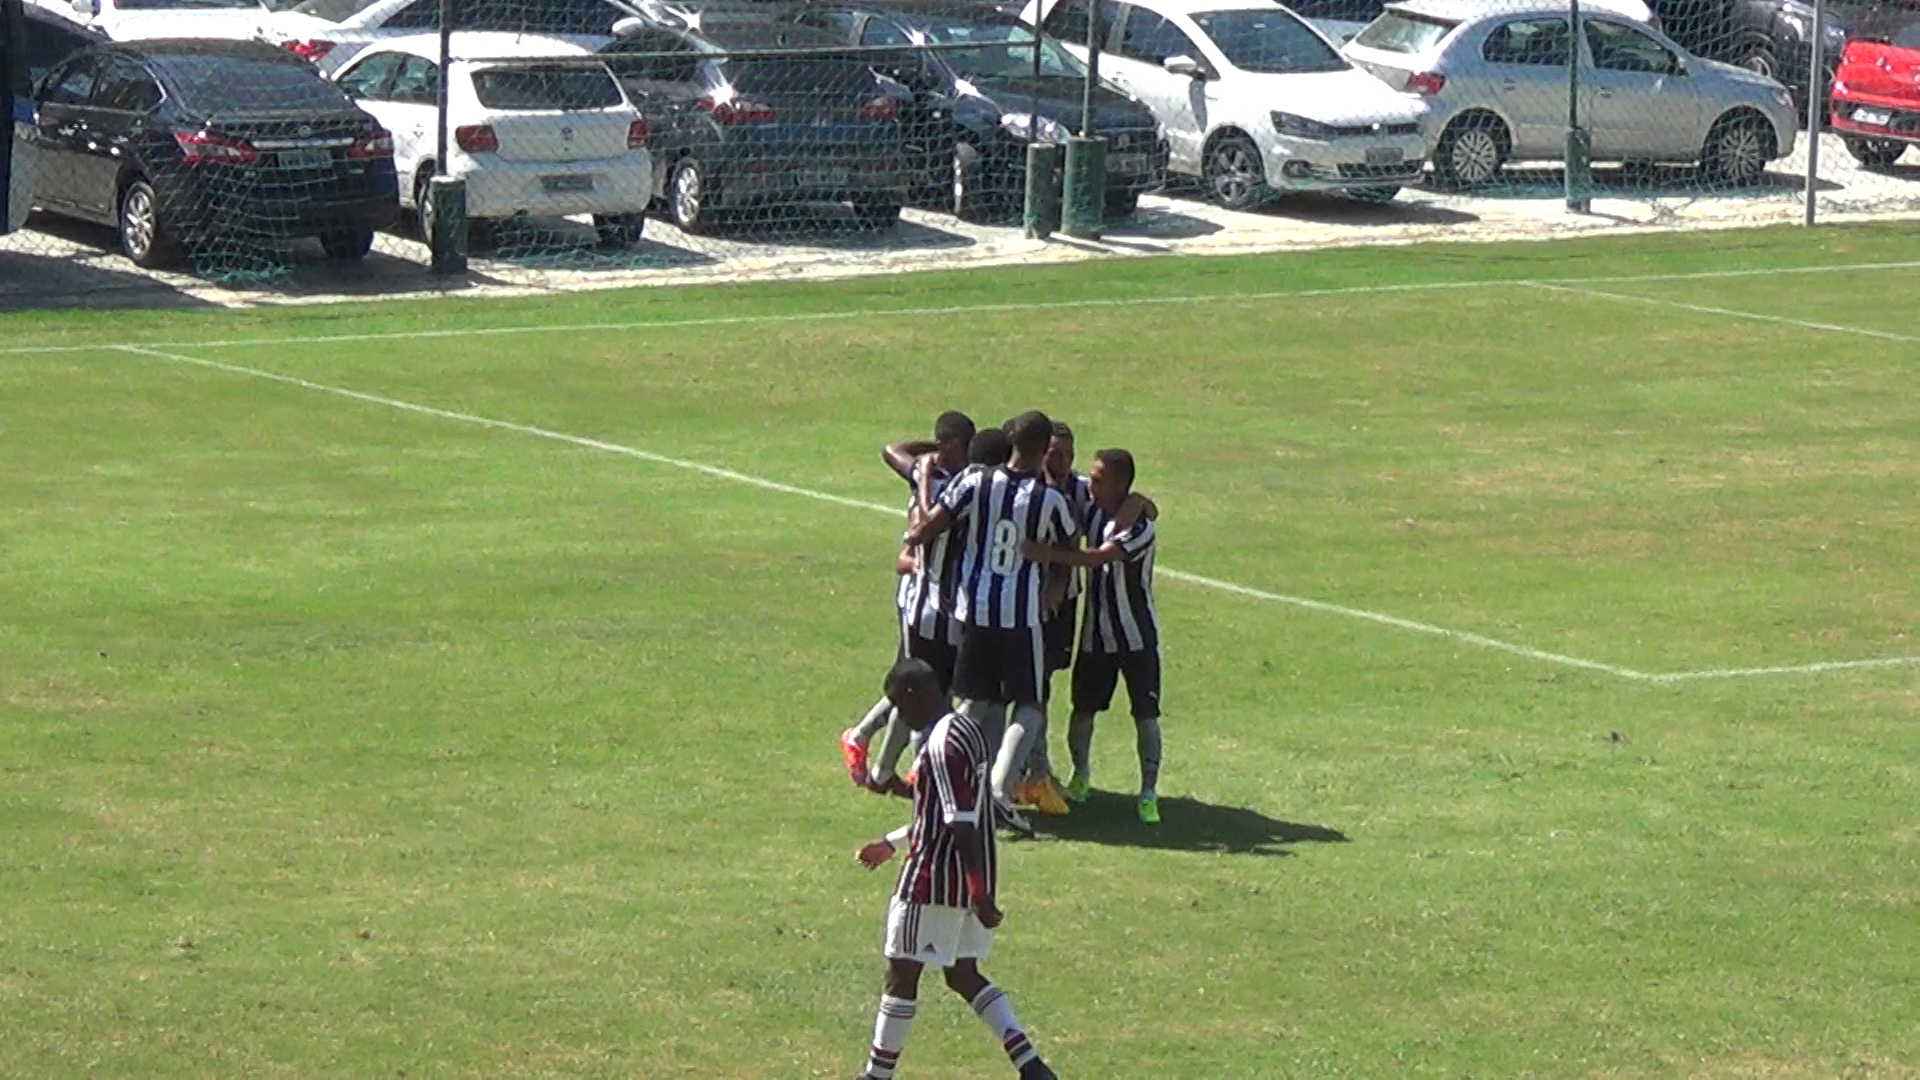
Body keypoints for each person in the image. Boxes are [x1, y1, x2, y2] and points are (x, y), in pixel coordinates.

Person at [851, 658, 1058, 1080]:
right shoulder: (967, 732)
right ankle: (1031, 1065)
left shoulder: (942, 746)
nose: (898, 715)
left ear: (914, 695)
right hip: (966, 879)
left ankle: (876, 1076)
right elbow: (958, 813)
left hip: (933, 882)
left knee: (901, 971)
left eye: (897, 704)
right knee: (963, 974)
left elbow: (958, 823)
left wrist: (980, 895)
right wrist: (890, 843)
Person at [904, 411, 1076, 837]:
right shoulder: (1051, 500)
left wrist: (920, 510)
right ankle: (998, 790)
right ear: (1043, 450)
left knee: (972, 703)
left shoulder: (975, 482)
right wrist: (1056, 583)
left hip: (976, 613)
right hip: (1022, 619)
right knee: (1030, 704)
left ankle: (933, 771)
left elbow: (929, 529)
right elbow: (1071, 543)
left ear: (1010, 439)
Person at [1021, 448, 1163, 824]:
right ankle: (1081, 777)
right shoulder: (1093, 504)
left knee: (1145, 715)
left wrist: (1043, 554)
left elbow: (1098, 558)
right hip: (1095, 636)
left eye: (1099, 479)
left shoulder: (1139, 528)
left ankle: (1148, 792)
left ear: (1119, 484)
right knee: (1083, 710)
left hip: (1136, 637)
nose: (1090, 483)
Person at [844, 412, 976, 792]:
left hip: (944, 603)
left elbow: (896, 452)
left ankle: (875, 754)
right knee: (920, 684)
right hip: (923, 600)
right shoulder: (939, 480)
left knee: (927, 684)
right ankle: (892, 761)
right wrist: (935, 451)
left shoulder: (949, 478)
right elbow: (892, 450)